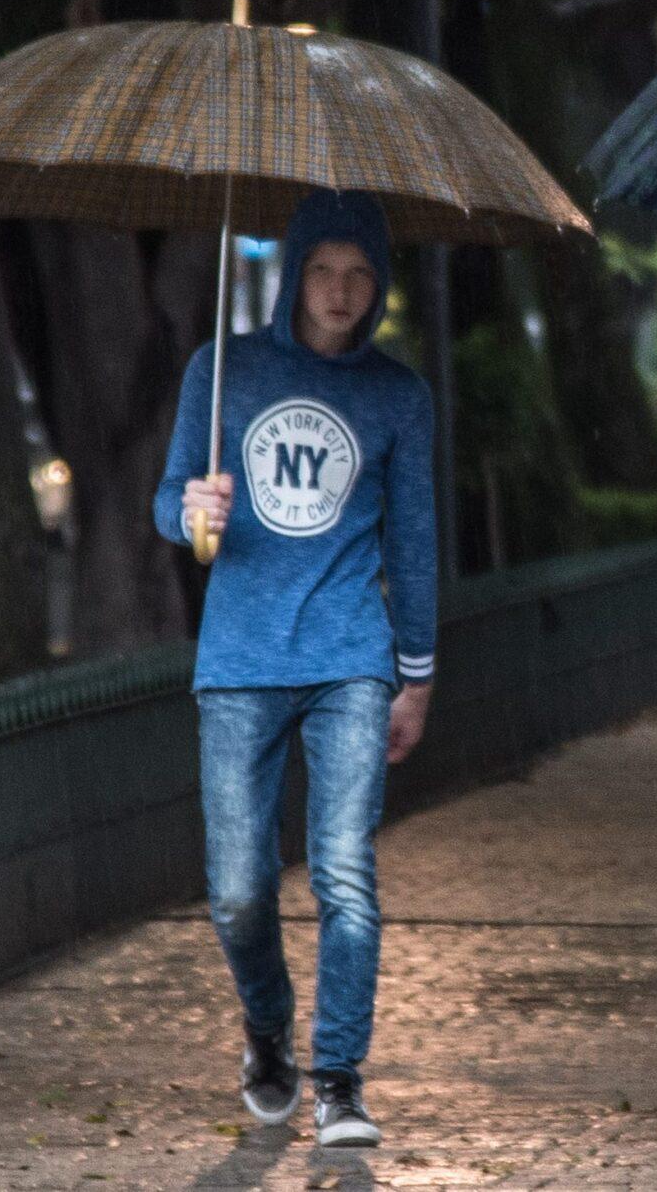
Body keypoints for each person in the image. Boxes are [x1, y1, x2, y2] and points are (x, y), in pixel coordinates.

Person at [153, 190, 437, 1149]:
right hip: (238, 661)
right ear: (295, 274)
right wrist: (194, 510)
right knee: (237, 889)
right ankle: (267, 1030)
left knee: (346, 876)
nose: (342, 292)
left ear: (380, 285)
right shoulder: (222, 369)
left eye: (361, 275)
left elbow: (416, 540)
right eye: (324, 270)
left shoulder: (399, 396)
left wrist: (417, 674)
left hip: (351, 658)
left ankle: (340, 1079)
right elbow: (167, 502)